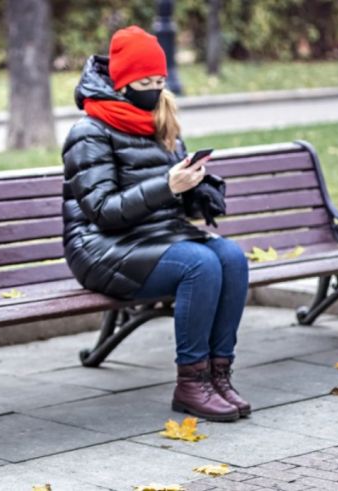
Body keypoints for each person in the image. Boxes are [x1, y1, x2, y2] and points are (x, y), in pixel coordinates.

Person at [61, 26, 250, 422]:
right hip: (100, 248)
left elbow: (169, 199)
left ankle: (219, 375)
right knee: (199, 264)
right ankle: (191, 383)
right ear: (121, 82)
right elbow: (102, 211)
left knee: (231, 257)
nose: (154, 89)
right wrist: (166, 186)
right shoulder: (88, 132)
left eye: (159, 81)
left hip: (156, 238)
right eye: (144, 82)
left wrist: (196, 189)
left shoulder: (161, 121)